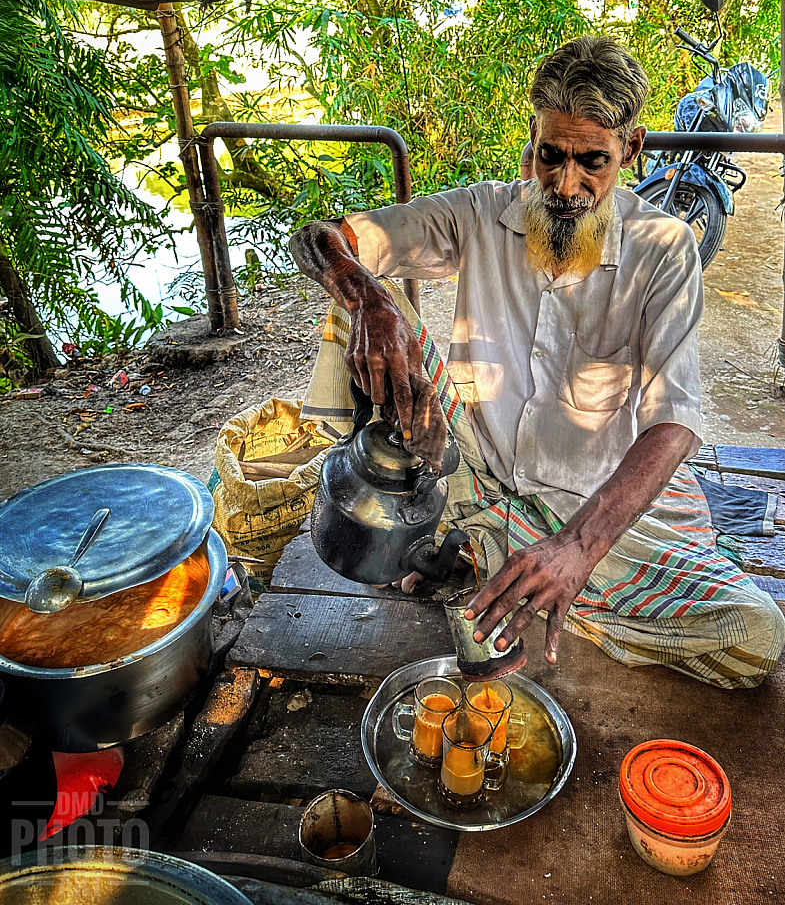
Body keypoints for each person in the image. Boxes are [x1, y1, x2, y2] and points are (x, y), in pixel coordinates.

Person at [290, 35, 785, 689]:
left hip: (592, 508)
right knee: (355, 305)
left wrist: (576, 551)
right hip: (471, 465)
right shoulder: (479, 211)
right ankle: (452, 526)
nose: (565, 183)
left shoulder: (662, 250)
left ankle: (516, 566)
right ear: (532, 140)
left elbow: (673, 424)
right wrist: (372, 301)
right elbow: (321, 239)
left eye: (592, 162)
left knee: (751, 634)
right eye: (550, 155)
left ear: (630, 151)